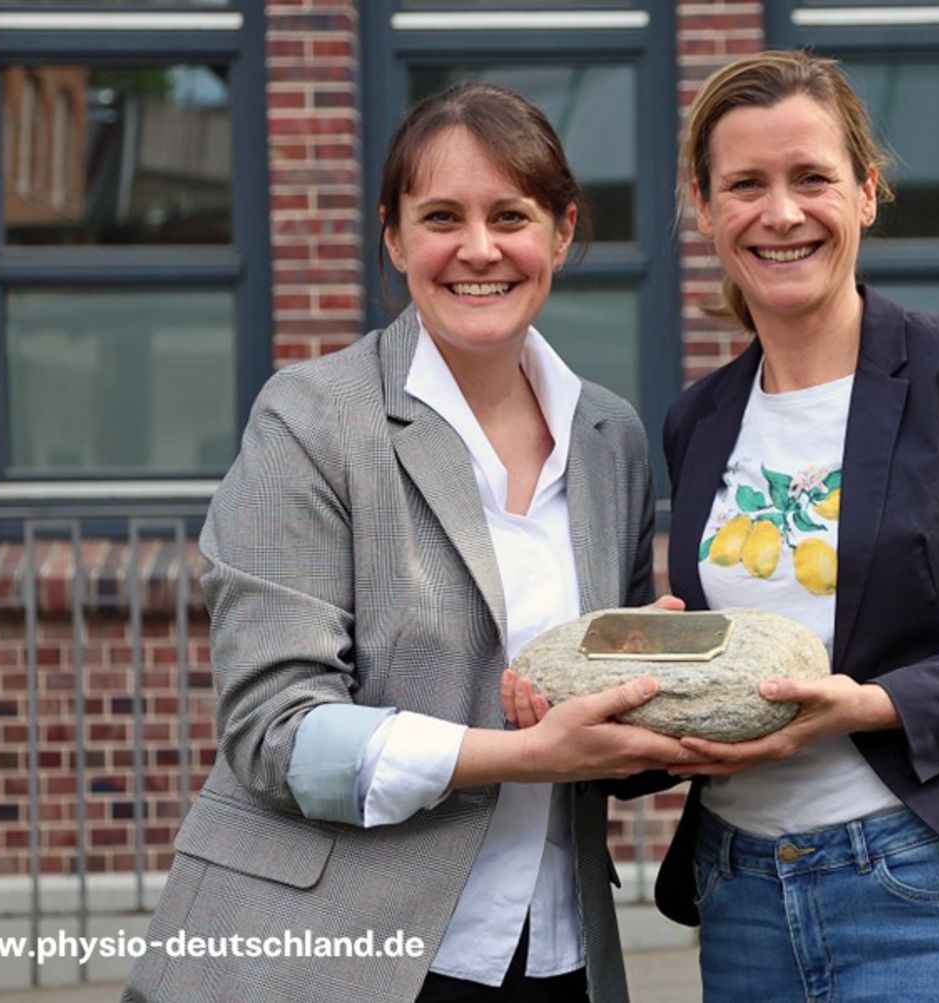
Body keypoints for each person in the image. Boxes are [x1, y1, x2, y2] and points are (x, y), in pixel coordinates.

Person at [515, 50, 939, 1002]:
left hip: (934, 887)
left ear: (867, 192)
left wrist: (872, 704)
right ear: (705, 208)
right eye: (745, 185)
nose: (782, 213)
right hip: (743, 896)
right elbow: (716, 680)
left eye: (812, 177)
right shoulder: (699, 419)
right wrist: (602, 715)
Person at [122, 82, 703, 1003]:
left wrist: (657, 702)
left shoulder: (610, 438)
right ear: (393, 238)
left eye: (510, 215)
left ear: (561, 232)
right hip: (338, 952)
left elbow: (595, 735)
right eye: (441, 217)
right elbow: (276, 730)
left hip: (554, 950)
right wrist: (525, 755)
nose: (479, 248)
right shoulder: (312, 418)